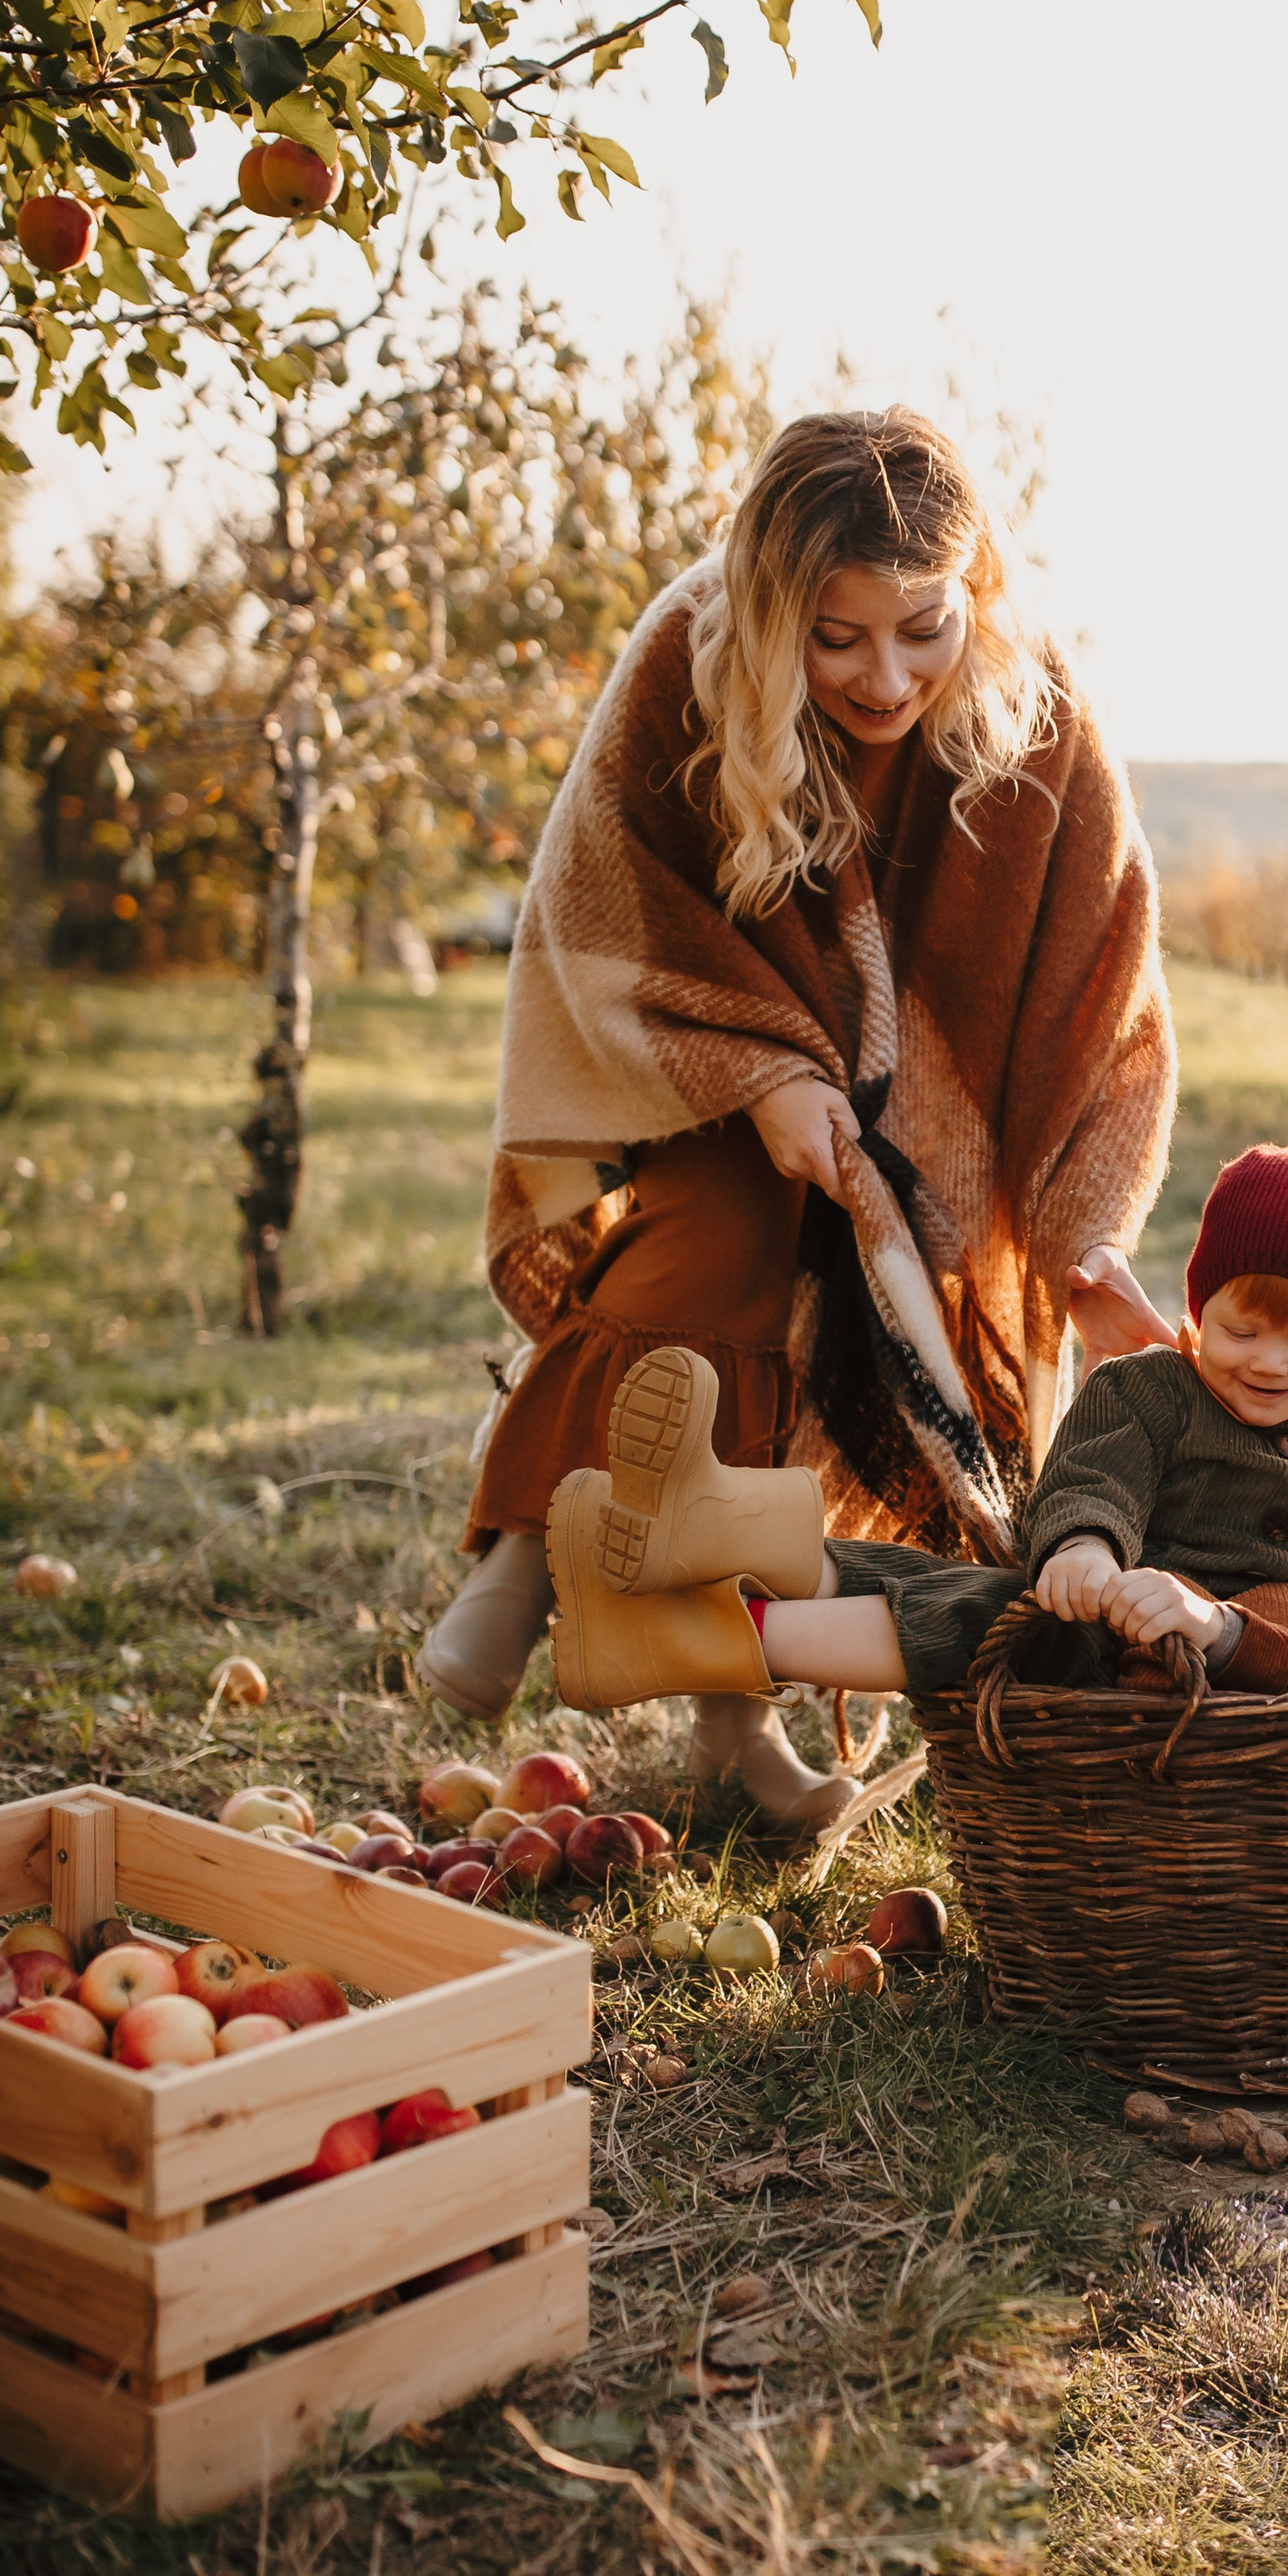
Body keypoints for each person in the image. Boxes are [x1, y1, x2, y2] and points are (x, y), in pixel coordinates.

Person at [415, 407, 1178, 1830]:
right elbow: (605, 900)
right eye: (836, 639)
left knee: (813, 1329)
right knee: (723, 1247)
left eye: (923, 629)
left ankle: (724, 1728)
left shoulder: (1038, 714)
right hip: (704, 1079)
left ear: (981, 596)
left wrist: (1081, 1244)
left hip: (927, 1149)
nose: (885, 676)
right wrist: (761, 1076)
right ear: (771, 612)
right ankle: (525, 1550)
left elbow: (1100, 993)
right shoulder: (685, 659)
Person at [543, 1141, 1288, 1709]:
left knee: (963, 1615)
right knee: (942, 1589)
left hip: (1154, 1660)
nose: (1268, 1362)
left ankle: (699, 1635)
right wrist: (1087, 1549)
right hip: (1099, 1605)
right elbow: (1099, 1478)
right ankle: (701, 1525)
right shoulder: (1152, 1390)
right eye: (1240, 1328)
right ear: (1196, 1310)